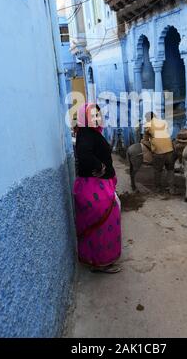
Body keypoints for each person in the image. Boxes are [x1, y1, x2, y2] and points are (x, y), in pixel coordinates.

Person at [73, 103, 121, 274]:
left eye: (98, 115)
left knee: (105, 223)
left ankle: (98, 260)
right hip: (94, 189)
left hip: (98, 186)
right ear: (84, 118)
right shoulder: (86, 134)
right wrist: (100, 166)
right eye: (92, 115)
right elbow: (84, 155)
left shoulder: (91, 133)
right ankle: (101, 262)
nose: (96, 118)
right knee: (103, 225)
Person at [143, 112, 176, 194]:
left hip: (159, 151)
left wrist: (151, 145)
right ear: (155, 116)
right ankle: (172, 189)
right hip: (169, 149)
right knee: (170, 169)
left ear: (147, 118)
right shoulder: (164, 122)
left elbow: (145, 140)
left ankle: (158, 189)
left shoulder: (148, 125)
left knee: (157, 170)